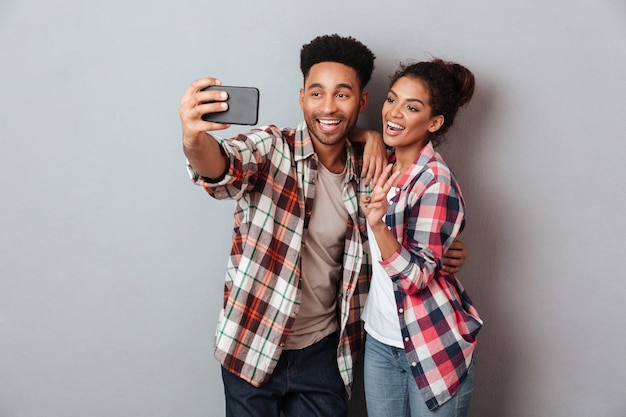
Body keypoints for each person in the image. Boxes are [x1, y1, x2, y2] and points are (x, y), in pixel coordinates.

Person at [179, 34, 467, 417]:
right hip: (252, 342)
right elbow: (222, 168)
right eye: (317, 94)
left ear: (362, 102)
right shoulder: (270, 149)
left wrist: (444, 252)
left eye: (343, 95)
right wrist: (192, 138)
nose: (328, 106)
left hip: (326, 355)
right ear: (302, 99)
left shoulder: (371, 169)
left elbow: (409, 235)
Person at [360, 59, 483, 417]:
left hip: (432, 344)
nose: (394, 113)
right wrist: (365, 135)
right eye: (392, 100)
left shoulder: (436, 181)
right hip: (381, 342)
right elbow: (333, 136)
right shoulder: (382, 163)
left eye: (411, 107)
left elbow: (415, 278)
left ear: (434, 122)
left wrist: (379, 226)